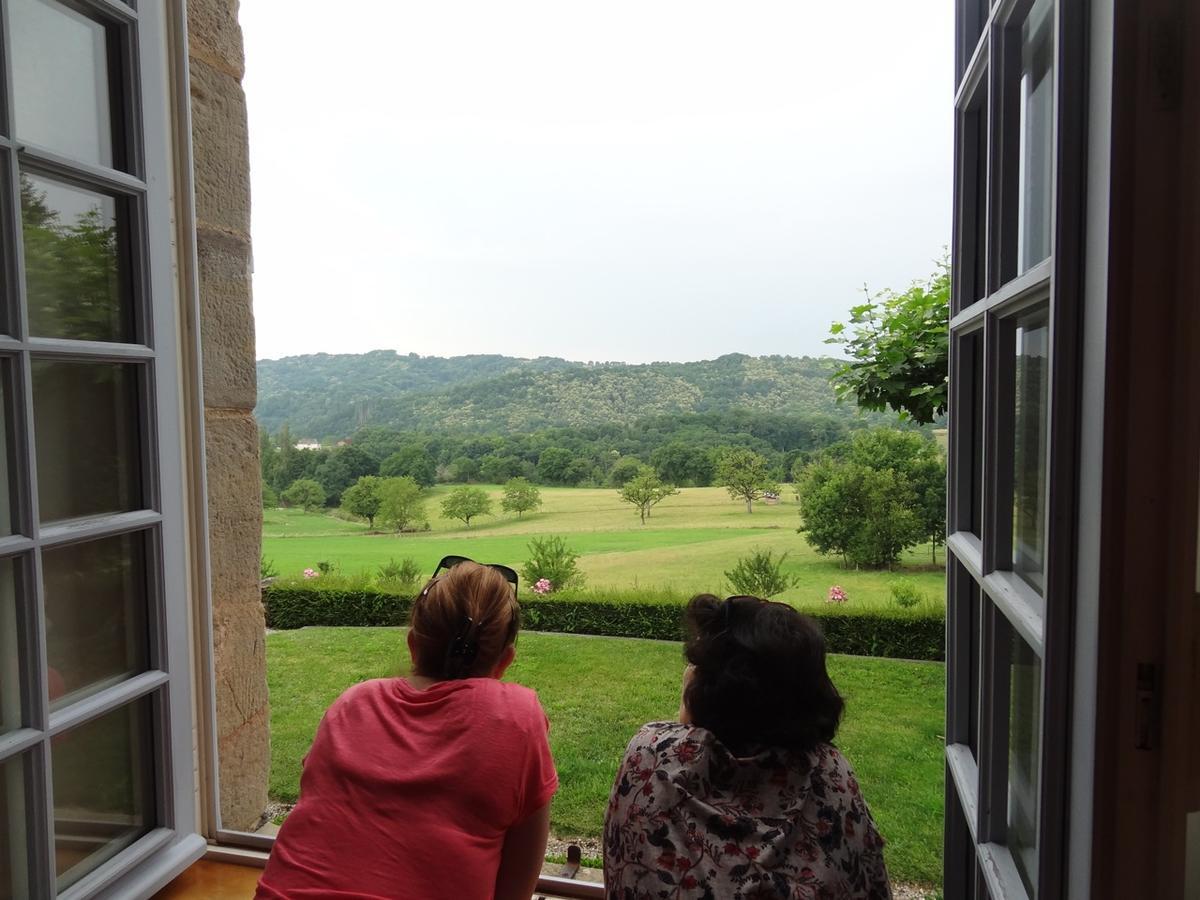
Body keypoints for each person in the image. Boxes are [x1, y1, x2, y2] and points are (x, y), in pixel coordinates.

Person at [256, 561, 557, 900]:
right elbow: (518, 881)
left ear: (413, 645)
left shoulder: (352, 703)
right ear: (505, 661)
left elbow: (318, 808)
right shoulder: (517, 716)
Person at [603, 594, 891, 899]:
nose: (688, 672)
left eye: (696, 665)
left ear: (711, 687)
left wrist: (691, 715)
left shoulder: (650, 754)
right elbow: (871, 882)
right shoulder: (831, 773)